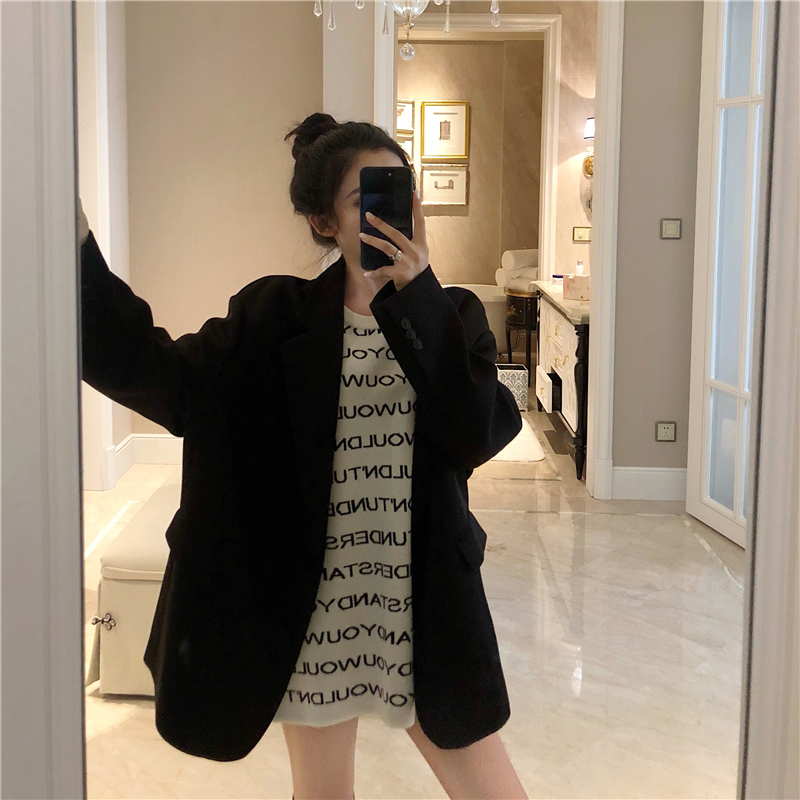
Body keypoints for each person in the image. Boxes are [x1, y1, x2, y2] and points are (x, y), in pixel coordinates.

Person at [78, 112, 527, 800]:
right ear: (325, 223)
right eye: (366, 199)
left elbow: (474, 433)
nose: (394, 214)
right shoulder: (273, 318)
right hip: (315, 613)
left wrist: (419, 297)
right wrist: (75, 252)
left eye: (401, 192)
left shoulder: (453, 315)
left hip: (424, 607)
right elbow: (162, 375)